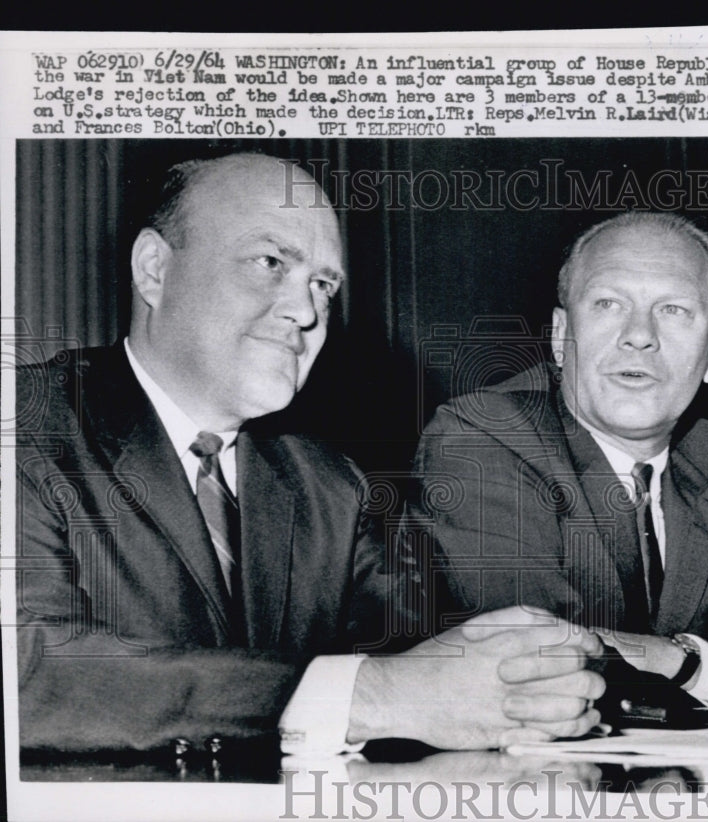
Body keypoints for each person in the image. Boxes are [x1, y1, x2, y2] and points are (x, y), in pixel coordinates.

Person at [14, 153, 604, 756]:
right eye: (270, 263)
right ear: (154, 270)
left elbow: (415, 659)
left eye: (323, 284)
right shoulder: (24, 426)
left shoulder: (330, 486)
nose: (307, 313)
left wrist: (515, 676)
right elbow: (27, 674)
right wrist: (370, 699)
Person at [411, 212, 708, 696]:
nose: (639, 334)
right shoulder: (483, 437)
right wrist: (695, 667)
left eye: (673, 309)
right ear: (559, 336)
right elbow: (535, 661)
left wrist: (678, 657)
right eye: (609, 303)